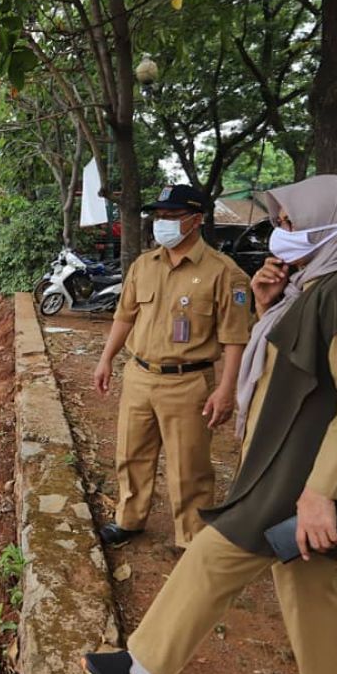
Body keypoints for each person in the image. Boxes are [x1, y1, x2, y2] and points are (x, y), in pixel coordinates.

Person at [82, 175, 337, 674]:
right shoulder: (317, 284)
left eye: (292, 222)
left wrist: (321, 492)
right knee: (302, 572)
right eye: (280, 222)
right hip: (286, 454)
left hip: (301, 466)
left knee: (220, 548)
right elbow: (295, 358)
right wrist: (268, 305)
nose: (282, 232)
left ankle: (144, 668)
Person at [94, 184, 251, 549]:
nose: (161, 223)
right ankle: (128, 519)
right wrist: (106, 359)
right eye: (159, 216)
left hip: (189, 382)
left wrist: (226, 390)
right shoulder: (143, 266)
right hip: (139, 375)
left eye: (171, 216)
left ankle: (191, 537)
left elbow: (235, 338)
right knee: (131, 454)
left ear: (196, 220)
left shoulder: (225, 273)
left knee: (189, 467)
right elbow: (125, 316)